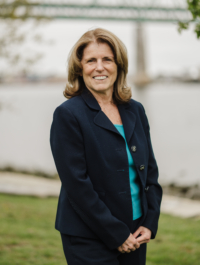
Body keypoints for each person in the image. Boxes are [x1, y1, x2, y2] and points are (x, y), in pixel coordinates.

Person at [50, 28, 162, 265]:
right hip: (88, 235)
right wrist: (116, 233)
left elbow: (149, 172)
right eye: (91, 60)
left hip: (135, 231)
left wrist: (150, 222)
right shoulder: (68, 115)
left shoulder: (135, 110)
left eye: (107, 60)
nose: (99, 67)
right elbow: (77, 185)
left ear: (118, 65)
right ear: (80, 68)